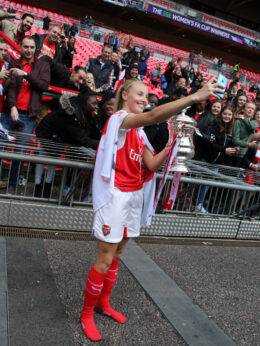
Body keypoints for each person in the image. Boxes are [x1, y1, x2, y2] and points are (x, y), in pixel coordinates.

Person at [80, 77, 222, 341]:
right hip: (115, 197)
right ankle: (87, 312)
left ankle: (104, 303)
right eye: (140, 94)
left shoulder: (140, 132)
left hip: (134, 196)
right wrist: (194, 97)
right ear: (125, 95)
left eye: (147, 96)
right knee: (105, 257)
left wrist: (174, 145)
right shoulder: (119, 120)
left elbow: (151, 165)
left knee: (119, 253)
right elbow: (155, 115)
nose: (145, 100)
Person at [1, 36, 50, 194]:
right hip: (9, 112)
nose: (29, 50)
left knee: (19, 153)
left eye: (31, 47)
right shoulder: (14, 63)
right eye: (26, 47)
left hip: (29, 117)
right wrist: (13, 106)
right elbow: (11, 89)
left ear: (36, 48)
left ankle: (12, 187)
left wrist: (25, 74)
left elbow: (43, 85)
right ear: (20, 47)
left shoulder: (43, 65)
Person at [35, 88, 101, 197]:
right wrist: (102, 144)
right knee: (42, 160)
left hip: (60, 138)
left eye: (97, 104)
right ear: (85, 102)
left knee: (53, 162)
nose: (96, 106)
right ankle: (38, 188)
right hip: (47, 135)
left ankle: (46, 187)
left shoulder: (84, 113)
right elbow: (81, 138)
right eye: (93, 103)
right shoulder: (71, 114)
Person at [231, 102, 260, 167]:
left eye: (252, 109)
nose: (250, 110)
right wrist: (248, 144)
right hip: (235, 153)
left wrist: (243, 118)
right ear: (243, 110)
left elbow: (252, 127)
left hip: (246, 154)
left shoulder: (254, 122)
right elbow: (235, 140)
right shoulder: (238, 122)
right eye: (248, 107)